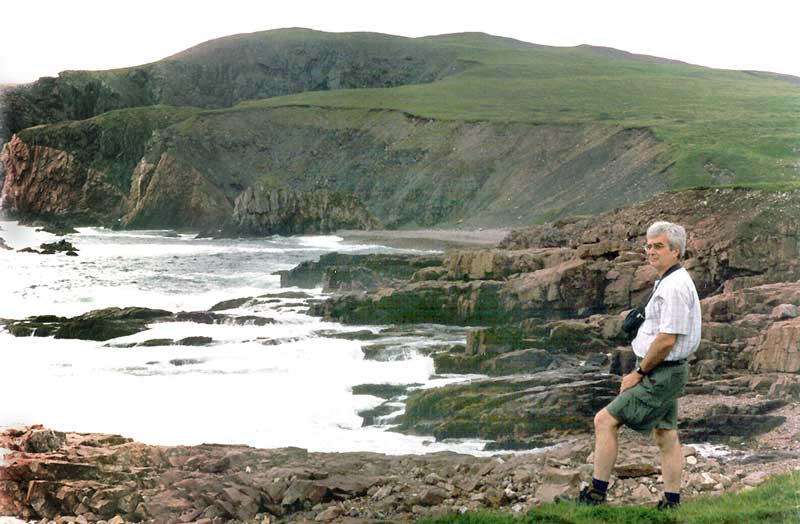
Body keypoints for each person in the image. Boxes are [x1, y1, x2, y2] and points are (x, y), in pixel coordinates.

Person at [577, 221, 701, 509]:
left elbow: (667, 339)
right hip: (666, 370)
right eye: (649, 245)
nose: (651, 251)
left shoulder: (674, 286)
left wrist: (638, 373)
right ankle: (671, 502)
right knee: (666, 435)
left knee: (604, 421)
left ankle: (596, 495)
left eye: (658, 246)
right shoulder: (668, 280)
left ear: (676, 251)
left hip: (661, 372)